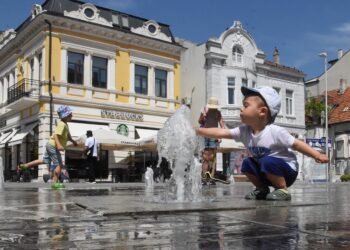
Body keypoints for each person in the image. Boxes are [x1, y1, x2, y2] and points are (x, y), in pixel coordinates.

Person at [196, 86, 328, 201]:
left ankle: (282, 190)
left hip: (287, 172)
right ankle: (262, 189)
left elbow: (297, 144)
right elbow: (221, 132)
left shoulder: (275, 131)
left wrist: (317, 155)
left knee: (266, 160)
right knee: (247, 162)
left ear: (262, 112)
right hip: (267, 171)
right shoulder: (244, 131)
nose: (241, 109)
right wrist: (198, 131)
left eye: (246, 105)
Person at [17, 105, 78, 187]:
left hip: (50, 145)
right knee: (59, 165)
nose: (71, 115)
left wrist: (73, 141)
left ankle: (25, 166)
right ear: (65, 116)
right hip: (54, 146)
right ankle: (55, 183)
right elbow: (56, 135)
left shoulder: (65, 124)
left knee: (44, 161)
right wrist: (59, 145)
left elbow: (68, 135)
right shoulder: (62, 124)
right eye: (70, 114)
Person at [198, 97, 225, 178]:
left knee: (212, 157)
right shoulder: (204, 110)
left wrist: (220, 136)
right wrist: (203, 116)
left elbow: (222, 125)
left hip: (214, 135)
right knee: (205, 157)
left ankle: (210, 175)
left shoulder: (218, 113)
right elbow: (199, 121)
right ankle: (204, 176)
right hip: (205, 134)